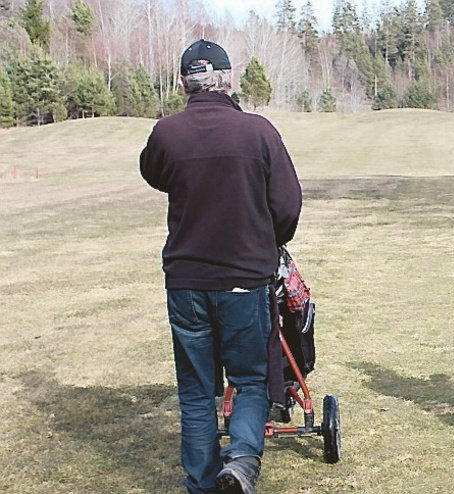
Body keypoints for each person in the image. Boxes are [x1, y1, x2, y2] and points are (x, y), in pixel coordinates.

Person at [140, 39, 303, 494]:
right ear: (229, 80)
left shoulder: (166, 133)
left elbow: (153, 174)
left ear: (182, 83)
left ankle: (202, 484)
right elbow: (288, 205)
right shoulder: (258, 131)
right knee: (251, 380)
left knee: (196, 391)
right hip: (243, 280)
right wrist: (270, 242)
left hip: (187, 282)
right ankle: (243, 462)